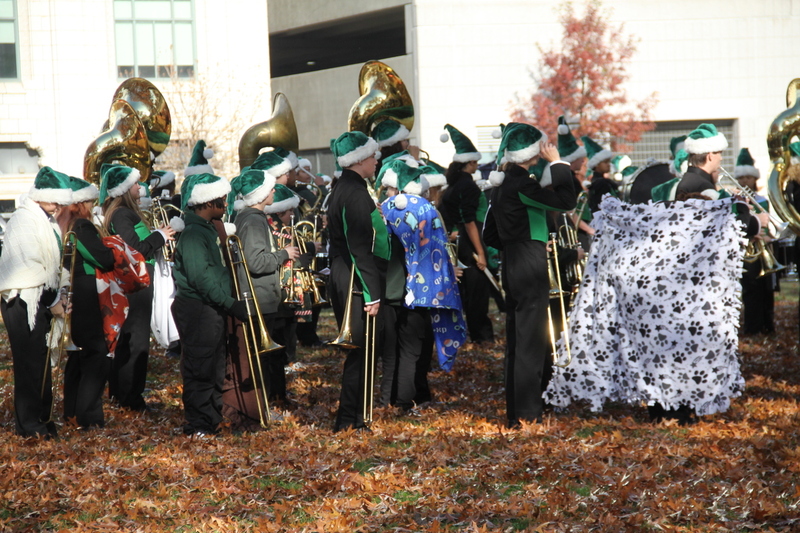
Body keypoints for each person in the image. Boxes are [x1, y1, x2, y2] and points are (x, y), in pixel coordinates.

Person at [483, 122, 576, 428]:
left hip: (512, 261)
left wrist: (521, 240)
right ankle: (526, 414)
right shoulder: (521, 183)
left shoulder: (501, 184)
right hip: (527, 263)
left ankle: (516, 412)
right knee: (530, 343)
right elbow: (566, 201)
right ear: (530, 151)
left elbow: (490, 234)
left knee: (517, 340)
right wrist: (558, 162)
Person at [379, 158, 466, 412]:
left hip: (389, 290)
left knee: (391, 351)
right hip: (418, 290)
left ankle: (387, 400)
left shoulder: (384, 209)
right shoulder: (425, 210)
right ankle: (405, 402)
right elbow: (434, 252)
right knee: (411, 351)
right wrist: (446, 275)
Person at [171, 173, 251, 436]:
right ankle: (198, 426)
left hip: (210, 308)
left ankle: (211, 419)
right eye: (222, 200)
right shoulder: (194, 233)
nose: (226, 205)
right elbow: (201, 279)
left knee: (215, 368)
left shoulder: (205, 229)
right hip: (198, 310)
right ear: (207, 201)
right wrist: (230, 303)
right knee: (200, 370)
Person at [0, 167, 73, 438]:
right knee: (29, 363)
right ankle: (29, 425)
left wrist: (61, 292)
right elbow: (28, 265)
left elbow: (52, 265)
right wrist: (52, 298)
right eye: (53, 199)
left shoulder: (46, 219)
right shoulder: (22, 219)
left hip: (40, 298)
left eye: (59, 201)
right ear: (40, 195)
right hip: (22, 302)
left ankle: (42, 417)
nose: (57, 206)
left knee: (41, 362)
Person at [226, 167, 300, 428]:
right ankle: (262, 409)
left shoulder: (248, 217)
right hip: (259, 299)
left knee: (262, 359)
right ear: (260, 195)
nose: (273, 192)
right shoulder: (254, 220)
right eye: (269, 189)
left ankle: (262, 407)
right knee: (262, 360)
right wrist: (284, 254)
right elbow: (256, 262)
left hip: (257, 297)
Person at [327, 131, 391, 432]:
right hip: (354, 277)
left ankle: (353, 418)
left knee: (362, 352)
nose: (376, 161)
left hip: (347, 273)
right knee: (360, 351)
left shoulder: (350, 188)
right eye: (373, 156)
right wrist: (372, 293)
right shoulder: (353, 191)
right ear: (360, 159)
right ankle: (349, 420)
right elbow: (358, 247)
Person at [100, 164, 175, 411]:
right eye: (134, 184)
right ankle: (131, 398)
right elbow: (135, 250)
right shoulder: (121, 214)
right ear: (123, 189)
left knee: (130, 340)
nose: (139, 187)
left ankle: (122, 394)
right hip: (135, 284)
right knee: (136, 341)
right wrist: (160, 236)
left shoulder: (123, 212)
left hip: (137, 282)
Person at [56, 177, 117, 429]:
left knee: (79, 358)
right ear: (80, 203)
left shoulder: (65, 224)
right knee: (95, 355)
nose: (92, 206)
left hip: (75, 290)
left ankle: (72, 410)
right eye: (89, 201)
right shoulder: (81, 226)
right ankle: (88, 415)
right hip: (87, 292)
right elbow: (103, 259)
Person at [439, 124, 494, 345]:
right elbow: (469, 221)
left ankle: (470, 334)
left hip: (458, 245)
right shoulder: (468, 187)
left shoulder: (451, 187)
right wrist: (480, 252)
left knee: (467, 294)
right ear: (468, 163)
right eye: (475, 162)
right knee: (477, 294)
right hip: (469, 245)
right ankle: (482, 336)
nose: (477, 165)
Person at [735, 148, 776, 335]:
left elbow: (768, 224)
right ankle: (752, 328)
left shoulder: (761, 200)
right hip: (746, 251)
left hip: (762, 249)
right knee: (750, 291)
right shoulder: (735, 201)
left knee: (766, 290)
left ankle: (768, 325)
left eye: (748, 178)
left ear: (754, 179)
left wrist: (767, 235)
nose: (745, 181)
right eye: (741, 178)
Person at [582, 135, 617, 214]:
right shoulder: (601, 183)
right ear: (597, 164)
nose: (608, 165)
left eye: (609, 162)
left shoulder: (598, 181)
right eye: (605, 162)